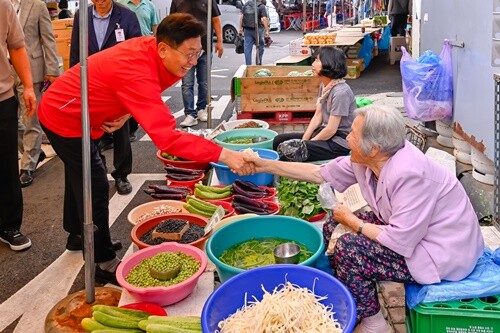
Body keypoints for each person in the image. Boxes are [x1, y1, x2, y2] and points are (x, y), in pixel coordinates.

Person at [38, 13, 254, 284]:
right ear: (163, 48)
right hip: (64, 115)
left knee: (79, 174)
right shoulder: (136, 68)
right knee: (94, 183)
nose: (193, 61)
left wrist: (126, 113)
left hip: (88, 113)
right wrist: (225, 155)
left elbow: (130, 89)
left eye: (198, 53)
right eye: (188, 54)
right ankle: (102, 260)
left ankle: (77, 234)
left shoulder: (157, 52)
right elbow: (168, 138)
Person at [243, 105, 484, 333]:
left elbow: (400, 240)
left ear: (374, 148)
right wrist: (264, 164)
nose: (347, 138)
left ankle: (374, 322)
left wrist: (354, 222)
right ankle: (352, 295)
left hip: (442, 251)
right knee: (333, 226)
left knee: (350, 249)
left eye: (354, 135)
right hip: (414, 233)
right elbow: (319, 173)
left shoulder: (410, 174)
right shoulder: (369, 161)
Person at [70, 0, 141, 197]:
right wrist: (74, 83)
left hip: (119, 85)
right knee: (91, 128)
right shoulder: (81, 16)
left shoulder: (127, 16)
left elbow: (137, 55)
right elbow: (76, 52)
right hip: (91, 83)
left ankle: (122, 174)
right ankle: (97, 170)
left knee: (121, 130)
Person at [272, 46, 355, 162]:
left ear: (329, 63)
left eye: (317, 60)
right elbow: (317, 116)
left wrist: (307, 145)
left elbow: (331, 129)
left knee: (291, 151)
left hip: (338, 143)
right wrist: (304, 140)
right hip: (324, 135)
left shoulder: (341, 92)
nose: (313, 63)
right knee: (278, 140)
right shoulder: (325, 85)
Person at [1, 0, 37, 251]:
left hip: (2, 97)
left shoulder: (2, 5)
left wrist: (28, 86)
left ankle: (10, 226)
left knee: (5, 166)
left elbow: (17, 46)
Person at [14, 0, 59, 188]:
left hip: (32, 70)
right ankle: (31, 152)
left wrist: (52, 69)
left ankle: (27, 166)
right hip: (6, 73)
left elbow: (47, 39)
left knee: (30, 119)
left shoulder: (37, 5)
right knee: (11, 120)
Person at [170, 0, 224, 128]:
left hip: (205, 47)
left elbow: (216, 20)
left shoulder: (209, 1)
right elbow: (171, 22)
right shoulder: (177, 1)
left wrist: (220, 42)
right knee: (187, 83)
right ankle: (190, 114)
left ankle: (201, 109)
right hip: (184, 49)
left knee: (204, 82)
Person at [118, 0, 160, 141]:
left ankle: (134, 126)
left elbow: (155, 27)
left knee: (141, 89)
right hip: (128, 52)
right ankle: (127, 125)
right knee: (127, 91)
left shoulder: (149, 5)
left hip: (146, 52)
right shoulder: (121, 4)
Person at [239, 0, 270, 65]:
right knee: (260, 46)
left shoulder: (246, 4)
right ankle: (258, 63)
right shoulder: (261, 6)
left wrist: (240, 28)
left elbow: (241, 16)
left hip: (247, 29)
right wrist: (267, 30)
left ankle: (248, 65)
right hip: (257, 29)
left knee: (247, 47)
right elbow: (264, 19)